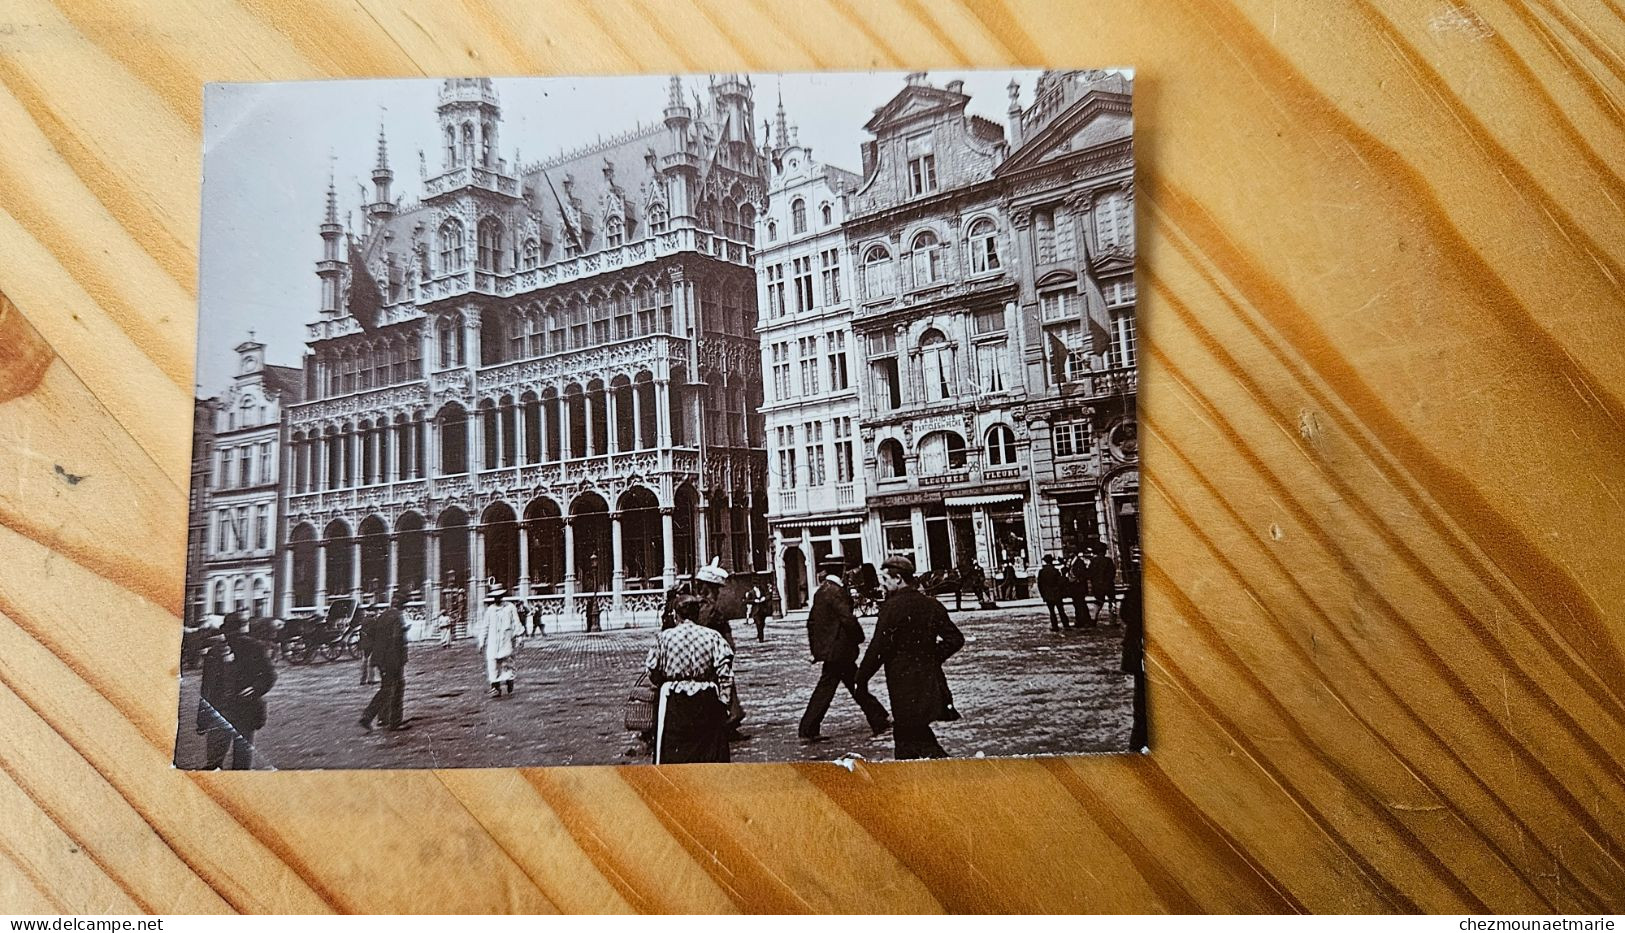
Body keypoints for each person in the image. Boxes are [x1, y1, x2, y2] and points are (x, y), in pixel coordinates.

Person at [857, 555, 965, 760]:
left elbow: (878, 649)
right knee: (911, 737)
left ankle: (952, 777)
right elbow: (955, 639)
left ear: (898, 579)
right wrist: (931, 657)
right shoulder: (931, 604)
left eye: (885, 579)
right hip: (929, 682)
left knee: (912, 738)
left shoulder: (891, 608)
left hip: (902, 684)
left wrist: (861, 678)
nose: (882, 584)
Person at [799, 558, 891, 742]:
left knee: (849, 684)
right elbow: (847, 619)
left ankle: (878, 718)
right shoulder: (836, 591)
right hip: (840, 651)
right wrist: (859, 637)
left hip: (833, 651)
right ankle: (808, 728)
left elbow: (812, 623)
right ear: (840, 571)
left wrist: (817, 649)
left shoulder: (821, 591)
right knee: (844, 686)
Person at [645, 595, 734, 764]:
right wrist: (724, 702)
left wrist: (663, 681)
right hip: (706, 699)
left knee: (674, 752)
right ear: (697, 614)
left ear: (676, 615)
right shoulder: (712, 636)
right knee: (707, 752)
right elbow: (725, 673)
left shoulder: (664, 638)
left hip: (674, 700)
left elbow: (652, 669)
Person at [196, 612, 276, 770]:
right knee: (237, 761)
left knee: (220, 761)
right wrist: (255, 689)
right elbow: (270, 676)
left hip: (231, 712)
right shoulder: (217, 652)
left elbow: (206, 690)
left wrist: (202, 720)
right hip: (231, 712)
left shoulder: (252, 648)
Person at [693, 559, 746, 737]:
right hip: (714, 655)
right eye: (715, 589)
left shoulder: (696, 607)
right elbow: (723, 636)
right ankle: (728, 721)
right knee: (722, 688)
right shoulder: (711, 610)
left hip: (704, 656)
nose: (717, 593)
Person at [360, 592, 410, 732]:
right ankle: (393, 721)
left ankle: (374, 717)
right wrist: (398, 661)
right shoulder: (397, 618)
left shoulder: (383, 616)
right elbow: (396, 640)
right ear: (401, 605)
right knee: (396, 689)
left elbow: (376, 636)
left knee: (386, 689)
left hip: (381, 659)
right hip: (393, 660)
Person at [1119, 564, 1146, 750]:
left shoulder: (1135, 590)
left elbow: (1125, 614)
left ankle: (1136, 748)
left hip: (1139, 654)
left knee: (1142, 708)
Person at [477, 585, 522, 698]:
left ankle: (509, 681)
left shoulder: (510, 607)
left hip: (506, 639)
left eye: (499, 596)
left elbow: (516, 623)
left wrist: (519, 637)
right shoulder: (490, 610)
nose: (497, 599)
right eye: (495, 597)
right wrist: (482, 641)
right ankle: (495, 687)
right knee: (492, 664)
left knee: (507, 663)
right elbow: (485, 627)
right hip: (493, 641)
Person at [1037, 554, 1072, 632]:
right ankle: (1066, 625)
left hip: (1047, 594)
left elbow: (1040, 585)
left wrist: (1043, 595)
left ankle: (1055, 626)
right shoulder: (1055, 571)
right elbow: (1060, 582)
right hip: (1056, 594)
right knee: (1061, 610)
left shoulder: (1042, 572)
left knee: (1052, 612)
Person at [1090, 543, 1118, 625]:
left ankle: (1094, 618)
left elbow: (1091, 573)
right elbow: (1112, 572)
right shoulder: (1108, 560)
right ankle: (1113, 620)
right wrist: (1108, 580)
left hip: (1097, 585)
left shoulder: (1093, 561)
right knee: (1112, 601)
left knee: (1098, 602)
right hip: (1108, 585)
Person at [1068, 549, 1094, 628]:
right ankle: (1080, 620)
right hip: (1074, 587)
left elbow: (1082, 574)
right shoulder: (1071, 562)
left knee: (1081, 604)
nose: (1069, 554)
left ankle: (1085, 621)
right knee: (1077, 604)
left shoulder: (1079, 562)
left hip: (1079, 587)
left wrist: (1078, 580)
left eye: (1070, 552)